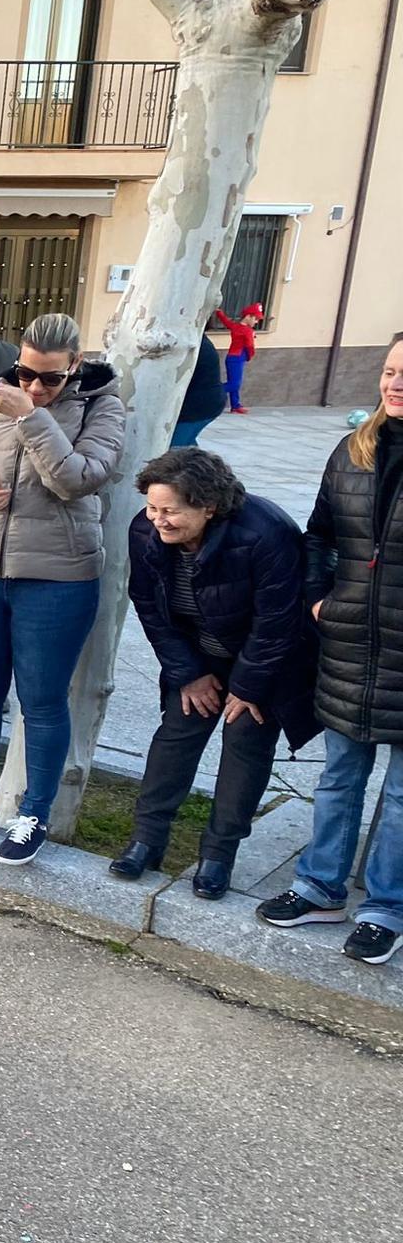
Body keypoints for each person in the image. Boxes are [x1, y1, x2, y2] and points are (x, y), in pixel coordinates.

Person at [0, 313, 126, 865]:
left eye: (50, 379)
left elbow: (78, 478)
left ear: (75, 367)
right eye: (25, 374)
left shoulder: (100, 405)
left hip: (57, 577)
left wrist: (32, 417)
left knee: (41, 702)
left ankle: (33, 811)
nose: (35, 387)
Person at [111, 449, 319, 895]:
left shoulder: (265, 533)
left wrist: (246, 687)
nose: (158, 520)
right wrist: (188, 673)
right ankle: (146, 841)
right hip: (198, 656)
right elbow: (149, 607)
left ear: (208, 506)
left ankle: (218, 856)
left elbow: (278, 620)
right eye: (152, 507)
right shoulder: (145, 531)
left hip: (264, 661)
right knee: (176, 736)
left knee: (245, 744)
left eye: (171, 511)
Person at [257, 337, 403, 964]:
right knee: (342, 774)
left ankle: (385, 907)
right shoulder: (354, 449)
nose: (394, 384)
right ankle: (319, 887)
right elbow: (318, 533)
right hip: (349, 642)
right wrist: (319, 596)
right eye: (391, 370)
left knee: (401, 793)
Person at [171, 332, 226, 448]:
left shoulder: (189, 343)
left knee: (176, 448)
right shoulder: (195, 338)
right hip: (207, 402)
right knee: (186, 444)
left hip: (198, 407)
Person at [214, 303, 261, 414]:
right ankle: (212, 393)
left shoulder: (236, 326)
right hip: (238, 358)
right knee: (234, 384)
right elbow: (250, 346)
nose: (257, 321)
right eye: (256, 318)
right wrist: (250, 356)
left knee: (233, 382)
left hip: (231, 357)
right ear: (248, 316)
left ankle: (235, 405)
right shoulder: (248, 331)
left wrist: (219, 312)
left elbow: (226, 321)